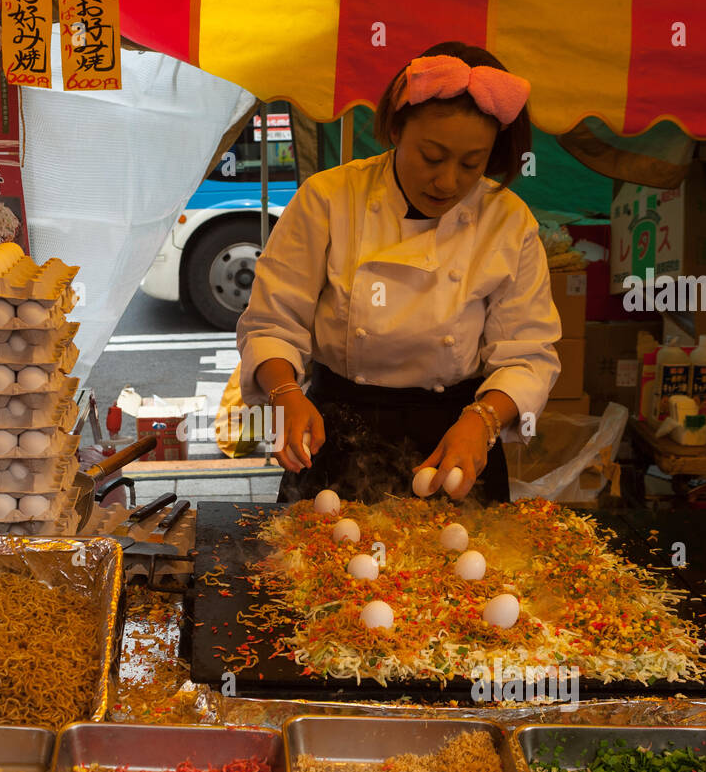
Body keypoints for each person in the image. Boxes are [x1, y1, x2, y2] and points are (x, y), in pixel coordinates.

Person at [236, 42, 561, 505]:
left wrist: (483, 421)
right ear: (394, 129)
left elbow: (529, 353)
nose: (448, 181)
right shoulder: (329, 199)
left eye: (472, 163)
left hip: (454, 435)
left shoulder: (507, 221)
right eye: (431, 156)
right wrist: (286, 391)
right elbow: (271, 321)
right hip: (336, 433)